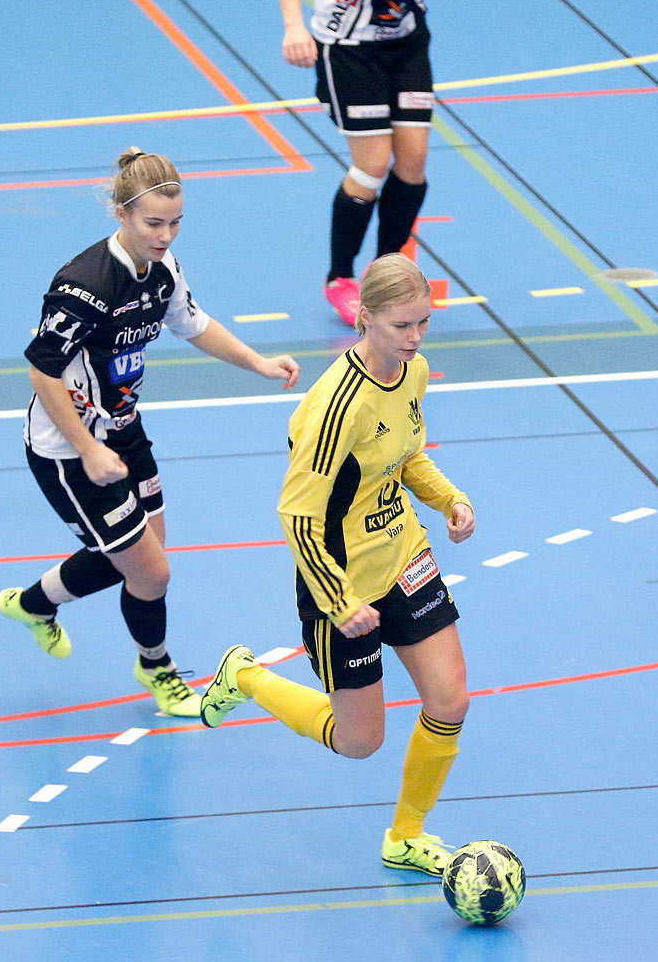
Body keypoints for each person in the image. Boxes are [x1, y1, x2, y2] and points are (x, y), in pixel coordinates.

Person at [0, 148, 301, 718]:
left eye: (175, 223)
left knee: (139, 559)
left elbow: (193, 324)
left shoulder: (163, 270)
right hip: (68, 451)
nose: (166, 236)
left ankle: (33, 604)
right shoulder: (83, 286)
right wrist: (87, 450)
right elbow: (42, 371)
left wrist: (258, 363)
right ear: (120, 213)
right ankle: (157, 670)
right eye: (153, 223)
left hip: (125, 432)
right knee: (150, 569)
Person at [199, 253, 475, 875]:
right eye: (403, 326)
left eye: (423, 323)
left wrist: (450, 499)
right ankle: (246, 676)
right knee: (360, 742)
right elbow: (298, 515)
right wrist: (339, 600)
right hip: (342, 581)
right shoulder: (334, 406)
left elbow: (405, 458)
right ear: (366, 318)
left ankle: (406, 836)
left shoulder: (413, 372)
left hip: (404, 553)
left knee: (450, 699)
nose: (415, 338)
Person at [274, 0, 526, 326]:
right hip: (349, 49)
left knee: (413, 162)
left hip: (406, 45)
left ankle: (384, 274)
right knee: (372, 164)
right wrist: (294, 26)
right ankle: (340, 277)